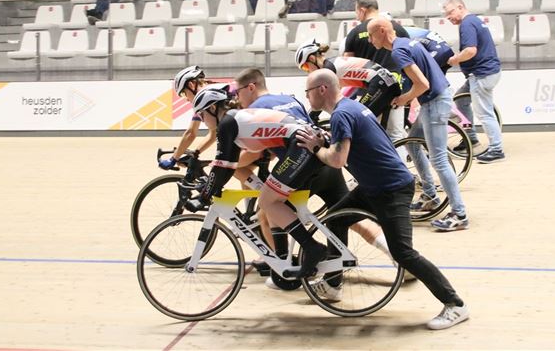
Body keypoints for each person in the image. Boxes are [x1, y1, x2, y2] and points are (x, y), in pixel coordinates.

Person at [296, 69, 470, 330]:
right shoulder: (351, 107)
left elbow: (337, 160)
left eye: (308, 92)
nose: (307, 97)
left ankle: (455, 304)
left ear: (322, 90)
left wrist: (316, 147)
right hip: (373, 187)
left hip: (391, 189)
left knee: (404, 253)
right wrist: (327, 140)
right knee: (336, 221)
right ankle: (333, 283)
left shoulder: (342, 114)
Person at [232, 67, 392, 288]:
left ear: (251, 87)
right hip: (326, 161)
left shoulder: (254, 111)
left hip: (303, 169)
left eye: (238, 92)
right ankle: (397, 259)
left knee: (267, 212)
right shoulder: (289, 99)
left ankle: (286, 273)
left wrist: (229, 163)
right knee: (349, 218)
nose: (237, 98)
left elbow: (256, 153)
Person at [190, 85, 327, 280]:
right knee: (272, 203)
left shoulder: (227, 123)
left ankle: (312, 248)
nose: (202, 120)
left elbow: (221, 166)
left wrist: (204, 196)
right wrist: (210, 188)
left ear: (212, 108)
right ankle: (283, 261)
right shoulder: (235, 119)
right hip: (306, 143)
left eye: (201, 114)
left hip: (302, 147)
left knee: (267, 201)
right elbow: (229, 165)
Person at [367, 16, 470, 232]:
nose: (369, 40)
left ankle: (459, 213)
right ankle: (430, 196)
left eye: (371, 34)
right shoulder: (407, 43)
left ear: (382, 31)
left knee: (439, 159)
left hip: (434, 103)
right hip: (435, 100)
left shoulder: (398, 51)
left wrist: (403, 99)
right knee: (413, 144)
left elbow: (422, 84)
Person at [443, 0, 505, 164]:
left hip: (481, 74)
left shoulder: (467, 24)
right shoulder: (474, 21)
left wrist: (455, 59)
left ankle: (496, 150)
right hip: (483, 73)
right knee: (461, 101)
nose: (448, 17)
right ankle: (470, 138)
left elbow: (470, 50)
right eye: (446, 15)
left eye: (450, 13)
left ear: (460, 7)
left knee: (484, 113)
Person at [343, 0, 411, 142]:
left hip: (367, 92)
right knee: (396, 135)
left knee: (367, 135)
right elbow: (409, 58)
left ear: (362, 10)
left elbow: (347, 65)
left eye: (356, 12)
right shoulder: (397, 28)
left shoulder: (355, 32)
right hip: (395, 90)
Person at [295, 39, 402, 127]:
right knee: (371, 125)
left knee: (356, 117)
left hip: (381, 84)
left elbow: (323, 97)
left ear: (312, 58)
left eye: (305, 67)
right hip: (384, 83)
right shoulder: (331, 64)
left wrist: (311, 116)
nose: (307, 71)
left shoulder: (328, 69)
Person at [158, 66, 219, 171]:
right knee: (236, 170)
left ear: (191, 85)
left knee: (225, 166)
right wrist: (195, 153)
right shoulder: (209, 95)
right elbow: (214, 133)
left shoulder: (206, 97)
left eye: (184, 93)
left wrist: (173, 159)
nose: (186, 99)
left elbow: (191, 133)